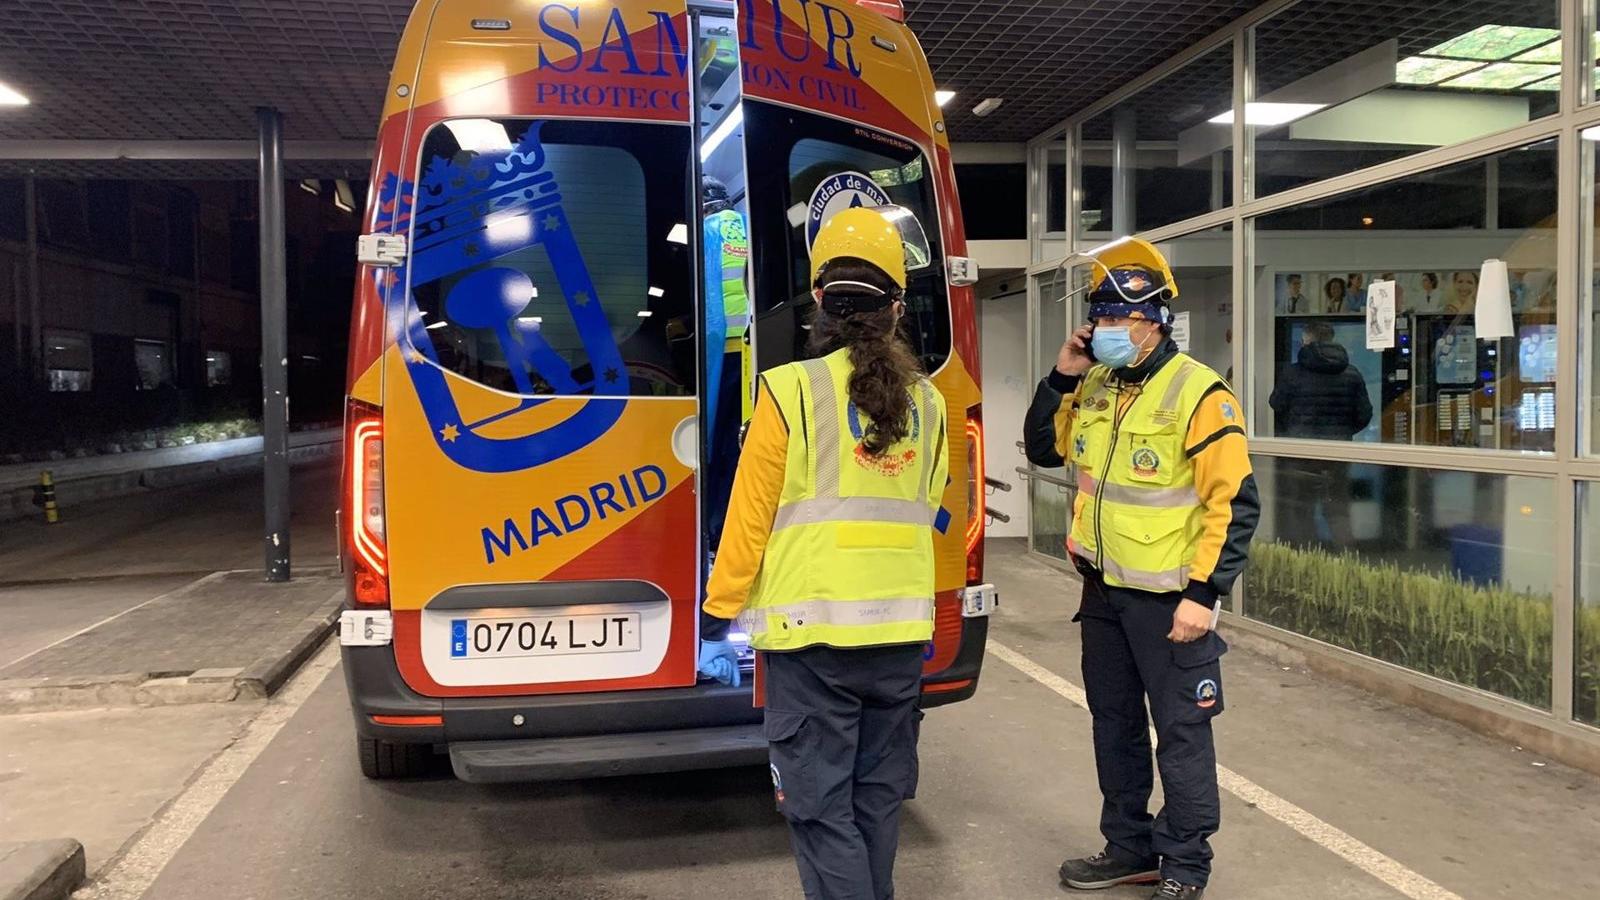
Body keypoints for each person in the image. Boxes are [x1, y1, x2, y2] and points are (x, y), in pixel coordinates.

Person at [698, 206, 949, 900]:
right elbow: (929, 503)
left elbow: (749, 518)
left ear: (820, 303)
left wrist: (718, 612)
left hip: (813, 646)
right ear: (896, 308)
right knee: (875, 801)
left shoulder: (790, 392)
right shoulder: (930, 404)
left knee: (818, 810)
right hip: (899, 639)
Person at [1024, 238, 1259, 900]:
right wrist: (1063, 374)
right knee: (1114, 724)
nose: (1103, 330)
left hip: (1168, 603)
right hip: (1104, 594)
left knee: (1181, 735)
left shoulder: (1200, 393)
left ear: (1154, 320)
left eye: (1116, 318)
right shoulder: (1096, 383)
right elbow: (1044, 447)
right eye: (1097, 317)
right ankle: (1128, 846)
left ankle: (1184, 863)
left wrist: (1203, 594)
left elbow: (1235, 504)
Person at [1267, 321, 1372, 547]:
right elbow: (1364, 414)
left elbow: (1276, 404)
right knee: (1338, 509)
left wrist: (1294, 428)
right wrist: (1342, 432)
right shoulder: (1352, 373)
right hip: (1338, 453)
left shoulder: (1292, 373)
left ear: (1307, 341)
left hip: (1301, 453)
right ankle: (1346, 560)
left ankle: (1308, 559)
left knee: (1302, 508)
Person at [702, 175, 752, 547]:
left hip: (718, 352)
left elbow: (708, 305)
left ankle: (709, 527)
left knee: (712, 443)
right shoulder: (746, 228)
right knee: (738, 443)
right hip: (749, 351)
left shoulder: (708, 231)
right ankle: (726, 528)